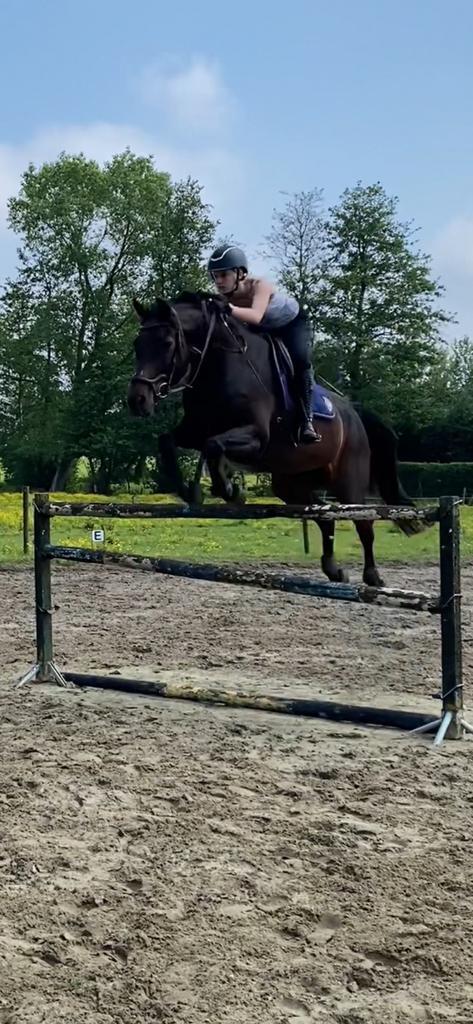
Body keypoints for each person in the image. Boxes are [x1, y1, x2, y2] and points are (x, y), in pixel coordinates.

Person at [208, 244, 320, 443]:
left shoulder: (260, 285)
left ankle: (306, 421)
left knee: (301, 362)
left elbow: (256, 316)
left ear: (240, 273)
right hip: (263, 328)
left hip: (291, 324)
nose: (218, 281)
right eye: (214, 276)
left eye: (223, 275)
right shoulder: (223, 297)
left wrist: (227, 308)